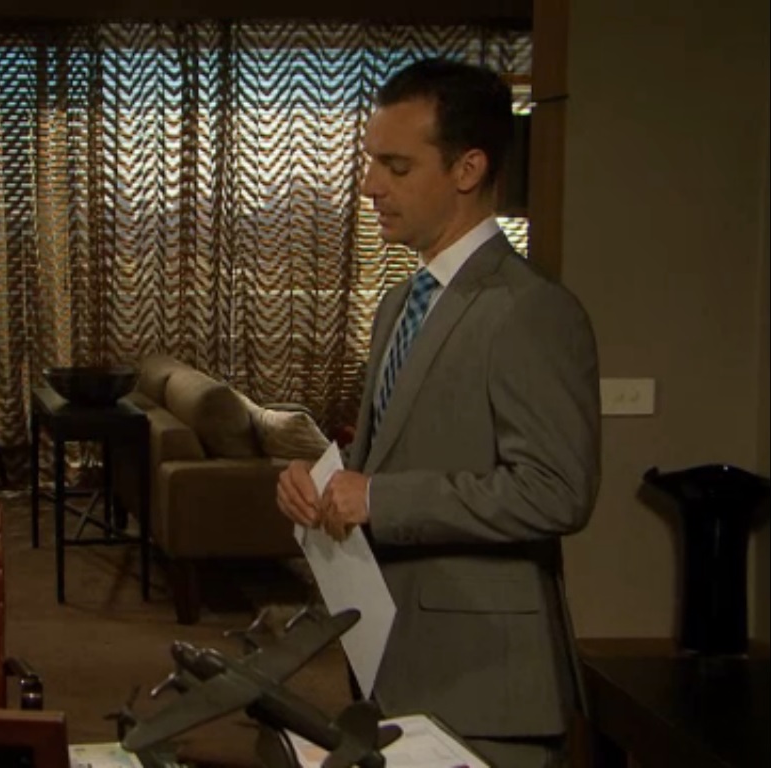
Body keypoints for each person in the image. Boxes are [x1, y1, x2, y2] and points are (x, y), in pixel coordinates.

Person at [276, 59, 600, 768]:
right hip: (393, 663)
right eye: (371, 162)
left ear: (468, 168)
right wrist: (320, 482)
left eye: (395, 166)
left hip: (487, 683)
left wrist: (378, 499)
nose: (370, 186)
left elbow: (557, 490)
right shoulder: (400, 303)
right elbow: (390, 457)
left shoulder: (530, 310)